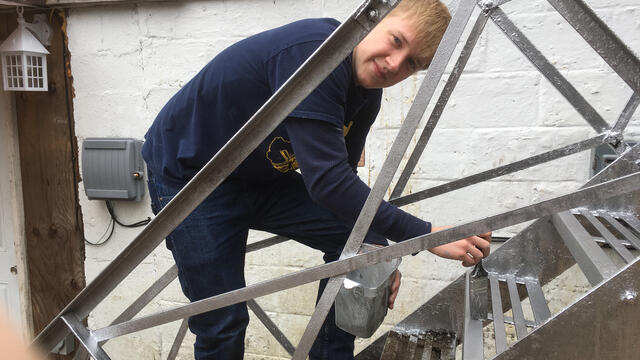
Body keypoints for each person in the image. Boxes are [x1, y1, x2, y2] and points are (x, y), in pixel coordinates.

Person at [142, 0, 491, 359]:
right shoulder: (315, 52)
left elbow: (342, 176)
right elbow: (328, 182)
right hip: (193, 179)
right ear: (375, 20)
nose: (393, 64)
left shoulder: (367, 95)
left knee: (355, 253)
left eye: (412, 64)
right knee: (222, 321)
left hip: (259, 176)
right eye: (396, 41)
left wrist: (376, 251)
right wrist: (423, 235)